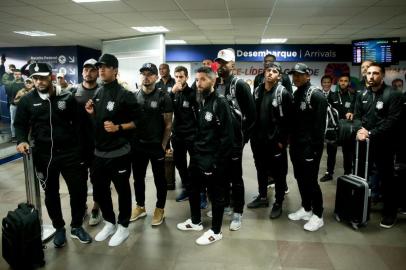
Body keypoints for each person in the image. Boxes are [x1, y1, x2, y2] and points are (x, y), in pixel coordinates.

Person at [14, 62, 91, 248]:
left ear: (51, 76)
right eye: (35, 78)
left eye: (42, 77)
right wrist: (22, 140)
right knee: (51, 193)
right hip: (44, 155)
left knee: (78, 191)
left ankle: (77, 226)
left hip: (70, 153)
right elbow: (20, 124)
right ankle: (59, 228)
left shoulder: (67, 96)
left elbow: (81, 125)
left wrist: (83, 152)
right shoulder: (27, 101)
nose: (39, 81)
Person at [85, 54, 141, 246]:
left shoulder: (125, 95)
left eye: (106, 67)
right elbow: (99, 123)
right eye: (100, 67)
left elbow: (138, 122)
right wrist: (92, 114)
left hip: (119, 153)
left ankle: (123, 226)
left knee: (123, 190)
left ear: (115, 71)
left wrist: (119, 127)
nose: (101, 70)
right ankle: (109, 222)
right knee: (100, 191)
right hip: (99, 153)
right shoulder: (99, 92)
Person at [177, 66, 234, 245]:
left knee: (216, 195)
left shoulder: (220, 102)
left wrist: (216, 162)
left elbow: (228, 138)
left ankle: (216, 231)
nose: (198, 83)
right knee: (193, 188)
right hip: (198, 155)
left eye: (203, 79)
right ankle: (195, 221)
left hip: (213, 159)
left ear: (213, 81)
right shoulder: (200, 100)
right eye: (197, 79)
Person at [354, 62, 403, 229]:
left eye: (375, 73)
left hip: (385, 144)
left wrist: (371, 133)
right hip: (365, 144)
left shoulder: (393, 95)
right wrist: (360, 129)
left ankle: (390, 213)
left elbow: (392, 122)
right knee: (362, 177)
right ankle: (361, 208)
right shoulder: (362, 94)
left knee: (386, 179)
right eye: (368, 73)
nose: (371, 76)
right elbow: (357, 116)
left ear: (382, 75)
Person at [214, 48, 256, 231]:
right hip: (218, 142)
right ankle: (225, 205)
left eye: (224, 63)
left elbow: (252, 116)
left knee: (236, 178)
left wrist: (242, 139)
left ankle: (238, 211)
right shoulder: (216, 84)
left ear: (232, 65)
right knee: (221, 176)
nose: (221, 66)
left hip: (235, 142)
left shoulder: (240, 85)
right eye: (219, 63)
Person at [130, 63, 173, 226]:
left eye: (150, 74)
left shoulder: (163, 96)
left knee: (159, 179)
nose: (146, 77)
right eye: (143, 74)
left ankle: (159, 208)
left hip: (156, 146)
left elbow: (168, 124)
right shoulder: (134, 96)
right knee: (138, 178)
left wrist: (163, 145)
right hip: (138, 146)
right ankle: (140, 207)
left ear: (156, 77)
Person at [250, 62, 293, 219]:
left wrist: (282, 141)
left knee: (279, 174)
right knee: (261, 170)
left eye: (274, 71)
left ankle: (278, 203)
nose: (270, 73)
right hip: (258, 141)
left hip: (275, 143)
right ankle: (262, 197)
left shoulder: (283, 93)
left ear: (279, 76)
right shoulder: (257, 91)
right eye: (268, 70)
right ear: (264, 72)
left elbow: (289, 121)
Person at [287, 63, 327, 232]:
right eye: (294, 75)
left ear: (308, 76)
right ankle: (306, 208)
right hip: (296, 146)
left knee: (310, 181)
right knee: (300, 178)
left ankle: (318, 215)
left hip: (310, 148)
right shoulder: (297, 93)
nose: (296, 77)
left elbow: (319, 128)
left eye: (300, 74)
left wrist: (313, 149)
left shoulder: (316, 95)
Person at [71, 58, 102, 226]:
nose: (88, 73)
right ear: (82, 72)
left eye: (92, 70)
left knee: (98, 179)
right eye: (86, 70)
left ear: (97, 72)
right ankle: (82, 207)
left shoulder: (103, 91)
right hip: (79, 146)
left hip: (98, 145)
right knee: (79, 180)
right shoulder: (72, 92)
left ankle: (96, 208)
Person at [169, 66, 197, 202]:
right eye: (177, 77)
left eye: (181, 77)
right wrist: (172, 92)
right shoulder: (174, 92)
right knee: (179, 163)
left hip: (190, 134)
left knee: (194, 164)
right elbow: (166, 106)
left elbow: (198, 114)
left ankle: (197, 189)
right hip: (177, 135)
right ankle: (187, 187)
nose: (179, 79)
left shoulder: (192, 94)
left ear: (186, 77)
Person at [320, 74, 355, 182]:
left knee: (348, 153)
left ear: (348, 83)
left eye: (345, 81)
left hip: (348, 129)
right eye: (341, 80)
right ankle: (329, 173)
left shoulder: (353, 96)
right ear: (338, 82)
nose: (343, 82)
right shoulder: (333, 95)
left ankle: (347, 174)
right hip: (334, 129)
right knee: (331, 153)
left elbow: (356, 110)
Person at [7, 69, 24, 142]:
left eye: (19, 74)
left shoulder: (24, 84)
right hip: (13, 106)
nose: (17, 75)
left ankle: (22, 136)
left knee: (23, 121)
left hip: (23, 106)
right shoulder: (10, 84)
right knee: (13, 121)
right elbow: (9, 94)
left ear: (21, 75)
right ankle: (14, 136)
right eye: (16, 74)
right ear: (13, 75)